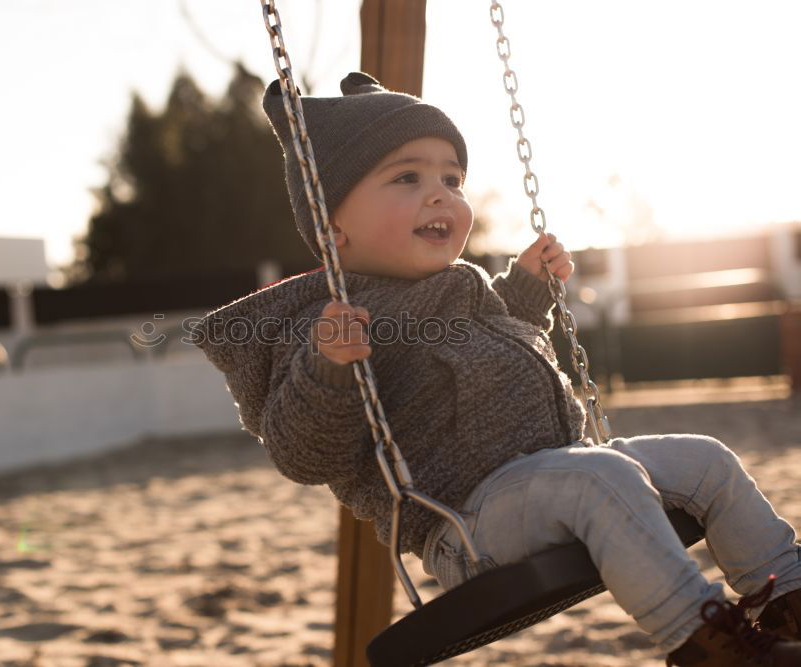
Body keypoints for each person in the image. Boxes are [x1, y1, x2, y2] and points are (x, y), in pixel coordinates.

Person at [191, 72, 801, 665]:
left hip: (555, 476)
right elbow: (302, 454)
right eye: (407, 177)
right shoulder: (331, 323)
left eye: (451, 178)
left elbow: (492, 347)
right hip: (469, 522)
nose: (441, 194)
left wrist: (528, 292)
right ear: (332, 227)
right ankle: (708, 649)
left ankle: (791, 602)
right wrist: (327, 367)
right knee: (601, 478)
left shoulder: (464, 287)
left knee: (707, 461)